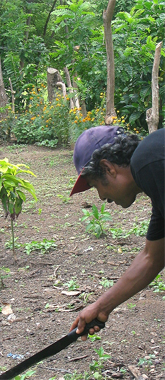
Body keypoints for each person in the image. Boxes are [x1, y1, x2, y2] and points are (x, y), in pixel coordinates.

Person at [69, 125, 164, 339]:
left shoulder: (149, 163)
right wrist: (101, 307)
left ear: (109, 168)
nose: (102, 197)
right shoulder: (155, 168)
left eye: (95, 186)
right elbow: (152, 257)